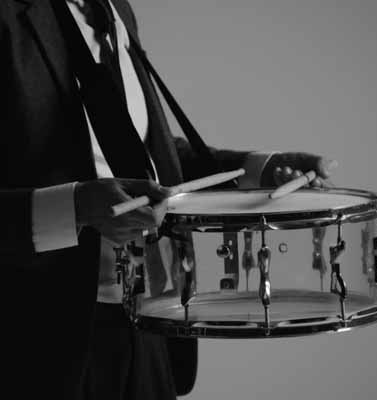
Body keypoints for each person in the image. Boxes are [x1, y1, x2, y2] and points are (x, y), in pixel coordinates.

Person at [0, 0, 336, 399]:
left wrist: (255, 168)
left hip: (149, 320)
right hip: (35, 339)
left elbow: (142, 155)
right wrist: (75, 208)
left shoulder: (116, 10)